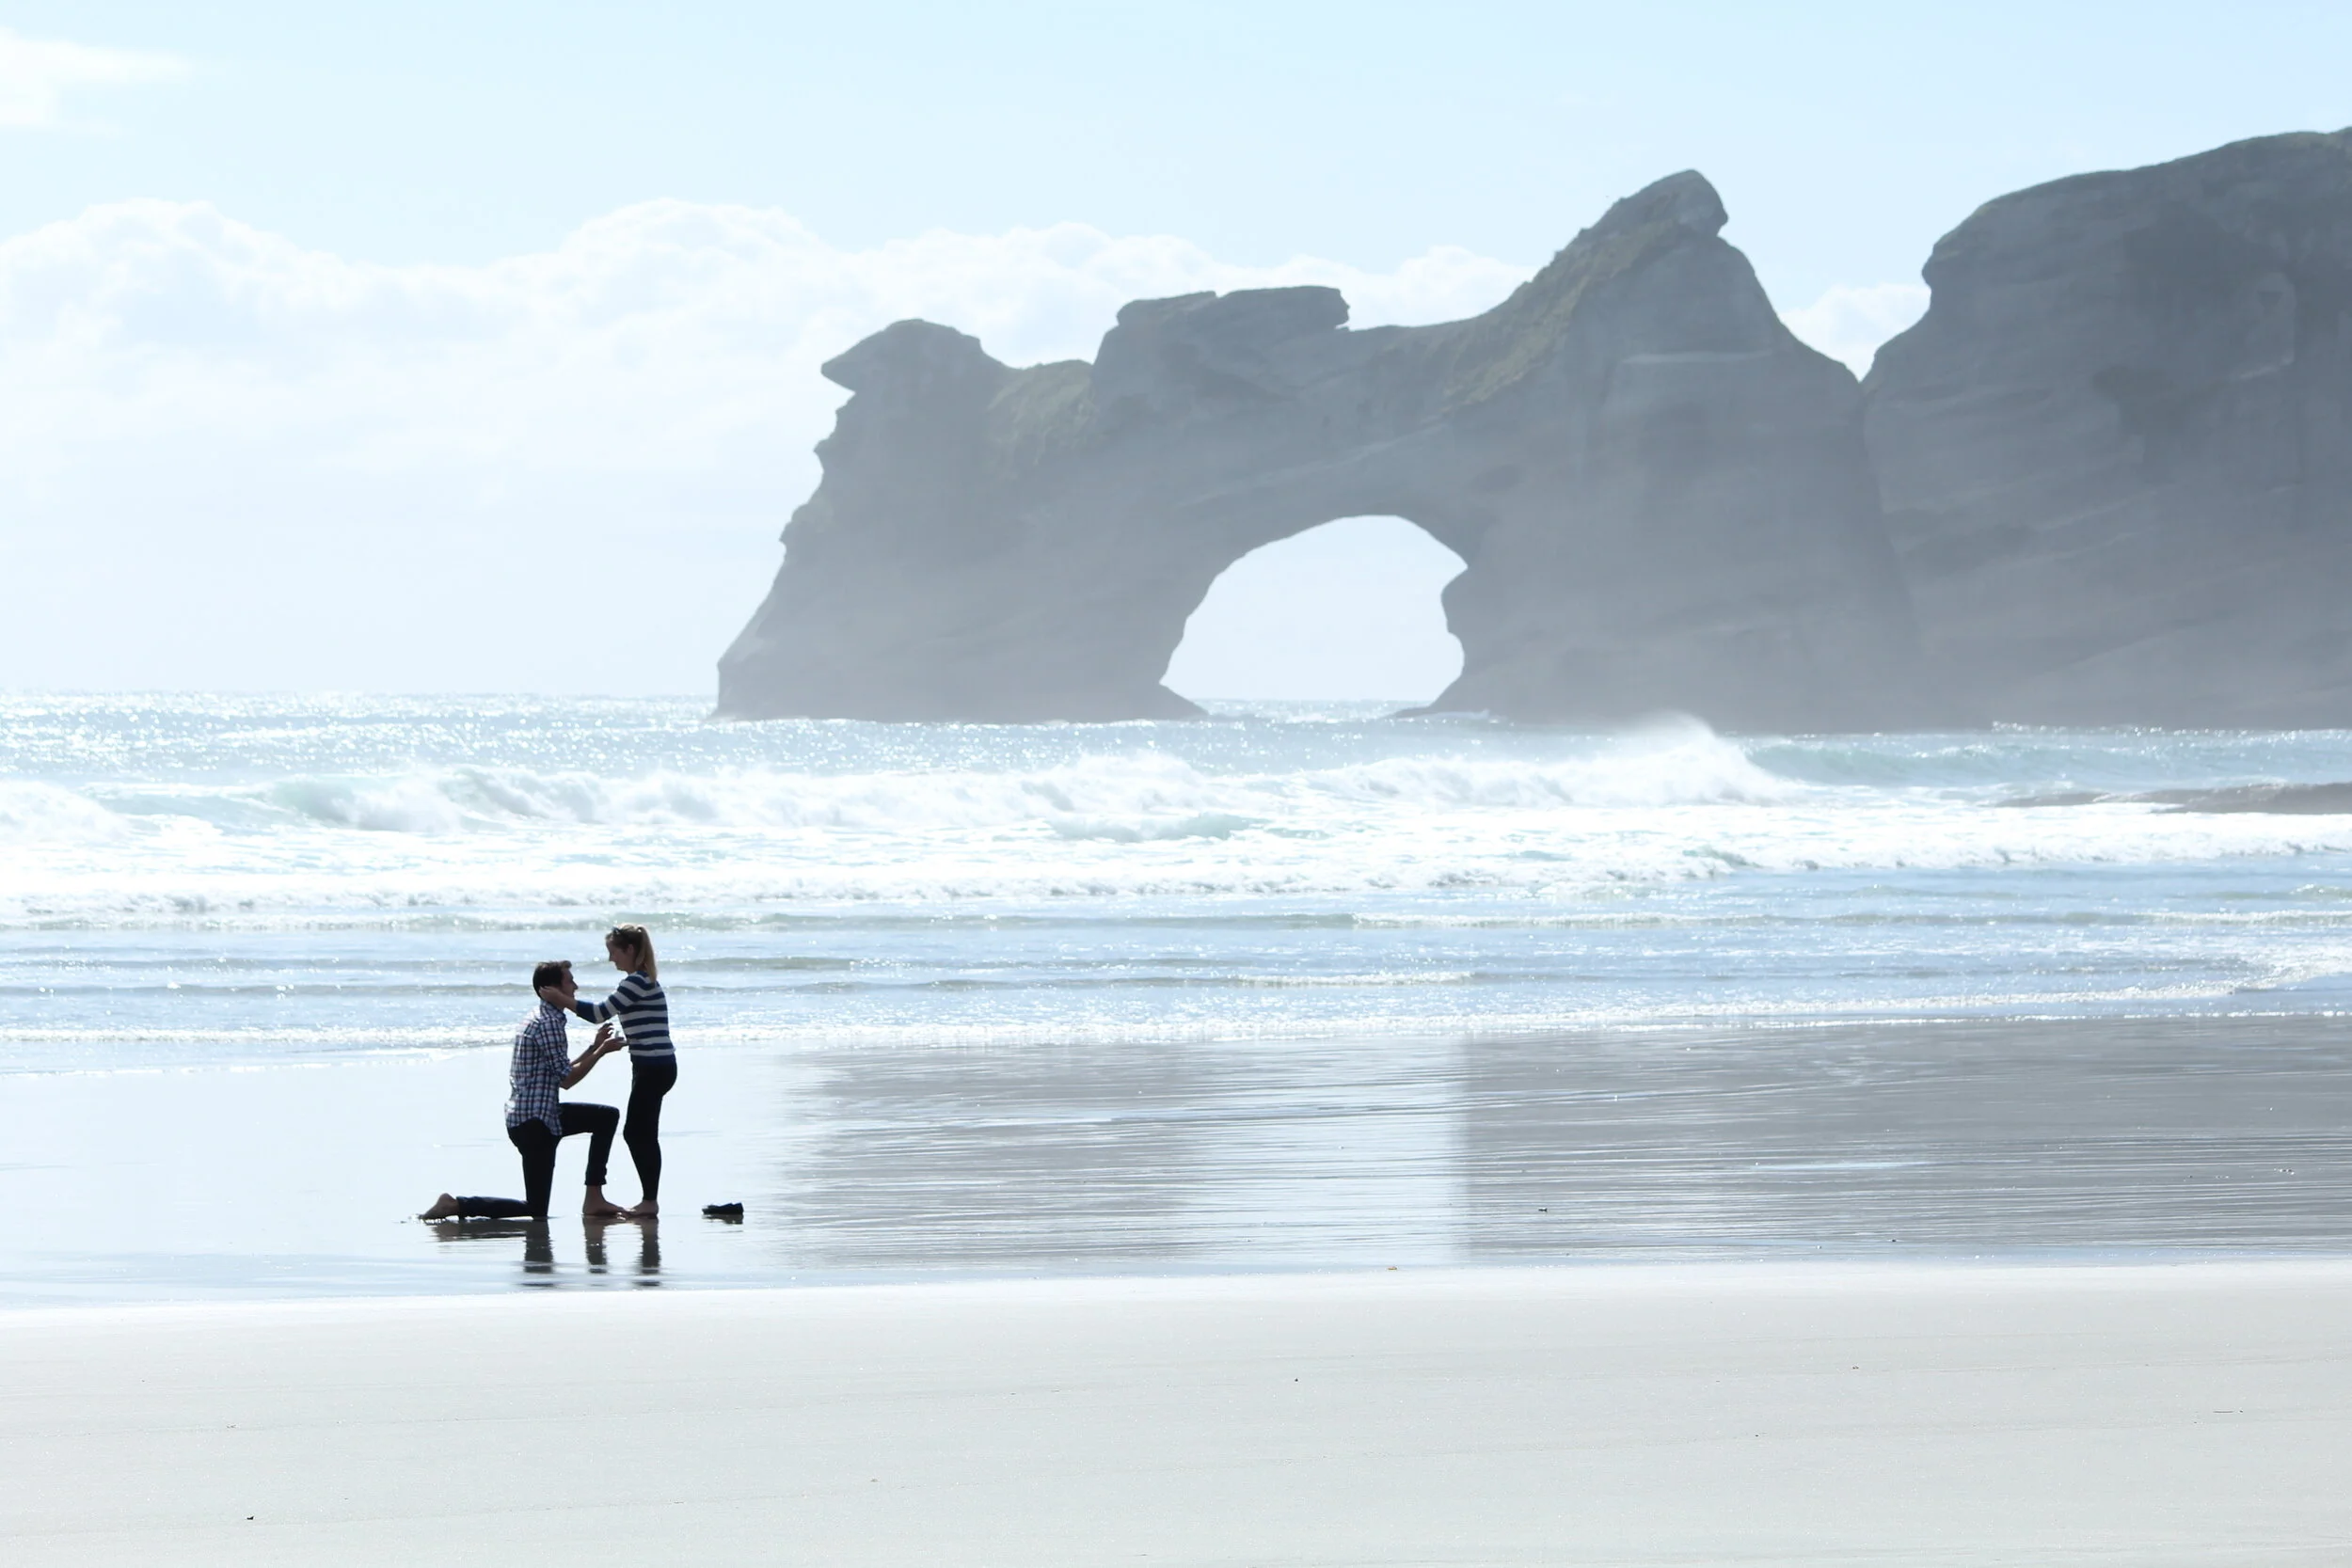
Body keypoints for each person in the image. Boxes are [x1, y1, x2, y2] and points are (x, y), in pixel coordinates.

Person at [421, 960, 628, 1222]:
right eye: (570, 981)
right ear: (553, 989)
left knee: (606, 1117)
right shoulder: (549, 1023)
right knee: (536, 1209)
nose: (575, 987)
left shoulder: (539, 1017)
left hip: (536, 1116)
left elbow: (558, 1071)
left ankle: (594, 1197)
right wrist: (601, 1052)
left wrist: (593, 1047)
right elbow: (566, 1080)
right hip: (535, 1123)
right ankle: (456, 1205)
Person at [545, 924, 675, 1219]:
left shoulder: (637, 981)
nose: (610, 959)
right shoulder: (641, 980)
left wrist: (561, 1000)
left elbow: (599, 1013)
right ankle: (649, 1200)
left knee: (637, 1134)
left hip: (654, 1066)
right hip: (651, 1065)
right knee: (641, 1133)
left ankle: (650, 1201)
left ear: (629, 950)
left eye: (613, 952)